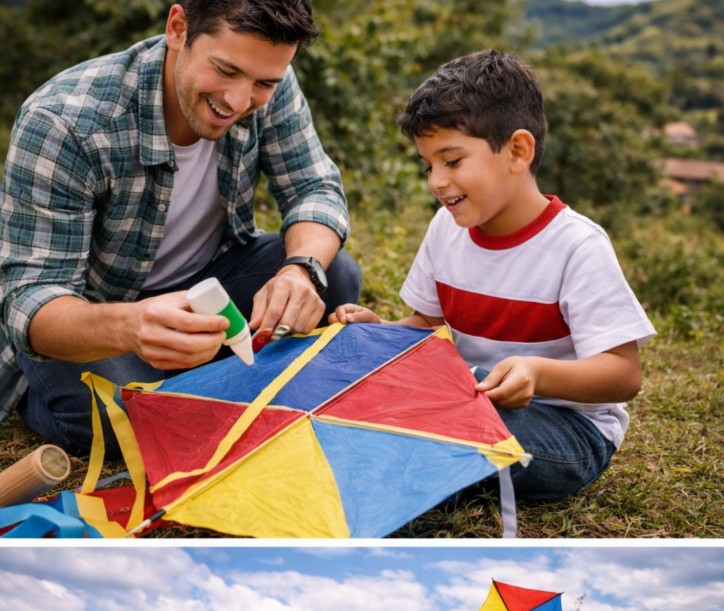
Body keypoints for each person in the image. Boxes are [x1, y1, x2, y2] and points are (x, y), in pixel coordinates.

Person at [0, 0, 361, 454]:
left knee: (336, 275)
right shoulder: (63, 121)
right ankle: (43, 396)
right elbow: (30, 300)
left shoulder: (268, 80)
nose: (237, 101)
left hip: (207, 285)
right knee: (126, 416)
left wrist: (300, 269)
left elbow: (315, 187)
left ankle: (188, 380)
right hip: (97, 317)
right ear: (178, 28)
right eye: (225, 70)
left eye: (263, 83)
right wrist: (132, 326)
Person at [332, 50, 655, 502]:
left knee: (428, 425)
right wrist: (379, 333)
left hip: (565, 429)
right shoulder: (446, 228)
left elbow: (624, 375)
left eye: (452, 160)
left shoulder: (576, 246)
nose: (436, 182)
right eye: (429, 166)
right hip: (467, 398)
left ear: (518, 151)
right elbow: (428, 329)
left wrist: (537, 374)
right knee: (376, 394)